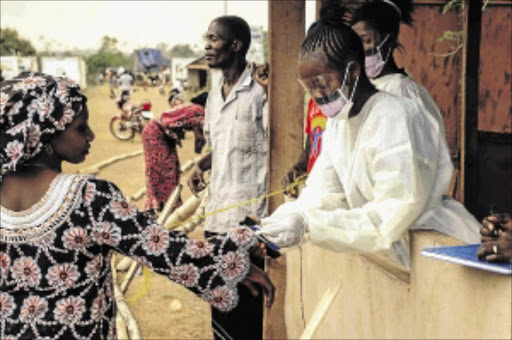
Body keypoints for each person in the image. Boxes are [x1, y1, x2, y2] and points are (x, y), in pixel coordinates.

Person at [0, 73, 274, 340]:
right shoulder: (88, 198)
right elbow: (168, 250)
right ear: (43, 133)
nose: (92, 135)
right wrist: (235, 260)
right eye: (81, 128)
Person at [257, 12, 481, 270]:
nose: (316, 96)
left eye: (321, 83)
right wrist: (292, 216)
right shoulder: (339, 123)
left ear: (352, 71)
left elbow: (389, 215)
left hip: (441, 253)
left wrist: (310, 225)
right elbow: (324, 192)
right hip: (402, 260)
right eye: (309, 87)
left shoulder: (395, 116)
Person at [187, 15, 268, 340]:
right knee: (220, 304)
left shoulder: (261, 93)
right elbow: (222, 146)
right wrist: (200, 164)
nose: (206, 46)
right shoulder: (214, 96)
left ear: (236, 45)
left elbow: (277, 148)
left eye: (214, 39)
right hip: (216, 216)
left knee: (247, 314)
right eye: (206, 38)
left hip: (248, 221)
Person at [142, 93, 207, 213]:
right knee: (164, 169)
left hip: (155, 131)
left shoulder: (193, 108)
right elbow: (201, 137)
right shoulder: (200, 111)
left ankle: (162, 204)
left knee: (167, 168)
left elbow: (198, 133)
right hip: (156, 133)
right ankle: (163, 206)